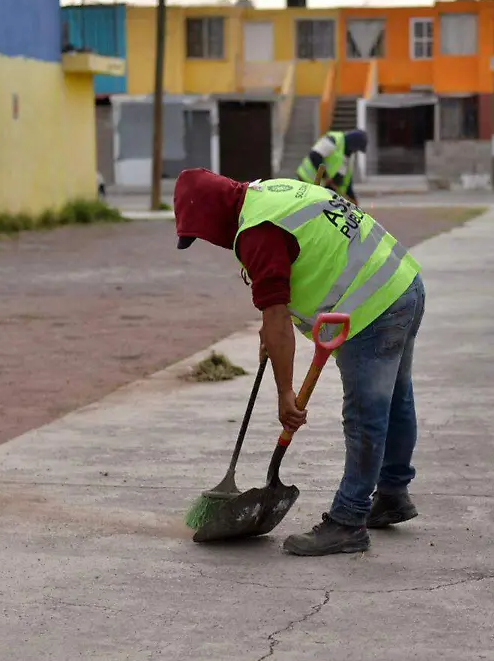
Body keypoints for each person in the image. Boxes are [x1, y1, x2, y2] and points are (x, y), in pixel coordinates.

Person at [173, 168, 426, 557]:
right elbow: (284, 295)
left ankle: (348, 521)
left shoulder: (256, 231)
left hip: (374, 307)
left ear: (210, 216)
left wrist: (285, 395)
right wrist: (271, 336)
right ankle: (392, 494)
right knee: (395, 399)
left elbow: (276, 319)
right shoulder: (269, 192)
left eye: (200, 233)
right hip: (403, 282)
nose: (208, 241)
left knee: (365, 414)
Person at [296, 129, 367, 204]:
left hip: (322, 189)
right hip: (307, 180)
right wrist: (325, 177)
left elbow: (347, 182)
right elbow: (315, 156)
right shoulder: (334, 139)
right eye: (356, 149)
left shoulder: (348, 158)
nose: (355, 151)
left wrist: (353, 199)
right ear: (352, 144)